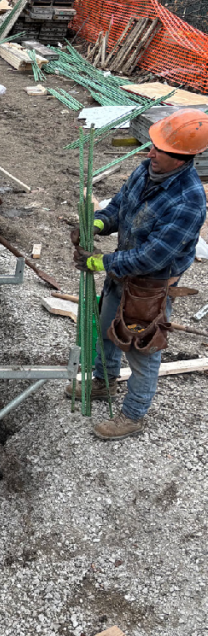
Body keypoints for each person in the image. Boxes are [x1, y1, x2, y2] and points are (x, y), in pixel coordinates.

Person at [69, 109, 208, 440]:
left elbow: (151, 257)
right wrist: (98, 223)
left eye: (160, 150)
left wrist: (100, 262)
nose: (150, 153)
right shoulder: (146, 170)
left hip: (148, 287)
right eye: (153, 146)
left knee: (143, 350)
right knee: (106, 330)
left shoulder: (189, 201)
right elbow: (119, 207)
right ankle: (104, 382)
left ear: (182, 157)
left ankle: (133, 415)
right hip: (121, 275)